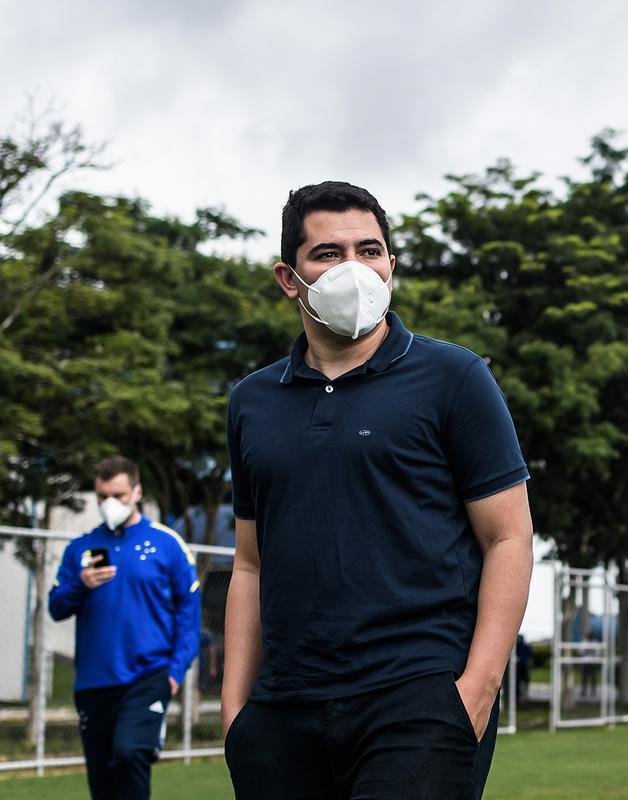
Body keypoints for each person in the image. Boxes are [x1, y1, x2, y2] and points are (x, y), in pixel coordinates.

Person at [221, 181, 533, 800]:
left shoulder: (454, 376)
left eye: (370, 250)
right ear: (290, 278)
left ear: (391, 264)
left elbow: (509, 536)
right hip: (284, 708)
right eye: (328, 255)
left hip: (418, 695)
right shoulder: (251, 401)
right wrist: (236, 713)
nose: (354, 269)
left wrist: (476, 689)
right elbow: (251, 562)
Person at [49, 456, 200, 800]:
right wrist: (81, 584)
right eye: (102, 496)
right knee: (103, 782)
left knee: (131, 752)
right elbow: (56, 607)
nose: (109, 504)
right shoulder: (81, 549)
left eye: (117, 495)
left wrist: (173, 673)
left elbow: (189, 617)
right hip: (94, 682)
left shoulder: (167, 544)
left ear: (136, 492)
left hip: (148, 677)